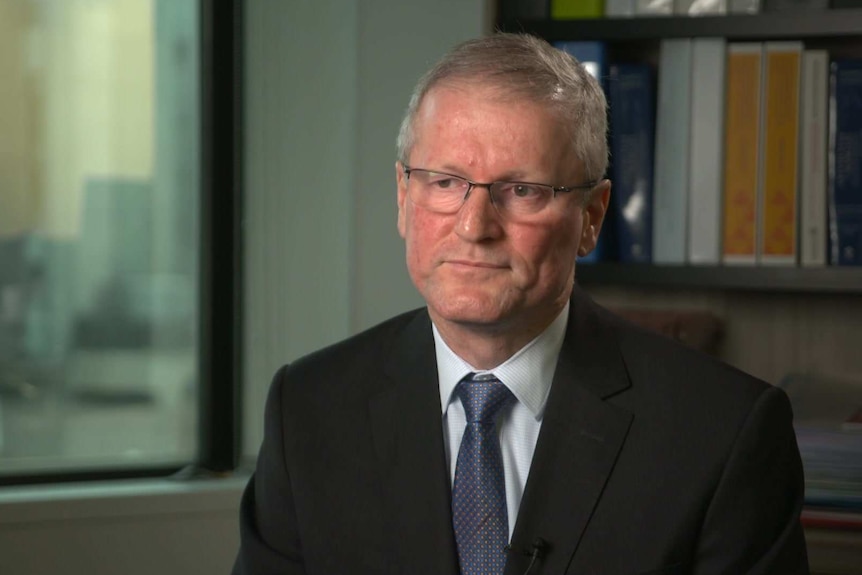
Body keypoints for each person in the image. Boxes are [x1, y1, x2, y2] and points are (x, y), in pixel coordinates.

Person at [233, 33, 809, 575]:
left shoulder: (724, 433)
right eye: (443, 181)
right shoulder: (308, 410)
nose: (474, 225)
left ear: (592, 217)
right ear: (404, 198)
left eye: (523, 191)